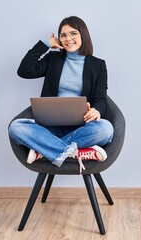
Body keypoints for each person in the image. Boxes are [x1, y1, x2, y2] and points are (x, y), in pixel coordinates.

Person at [9, 16, 114, 173]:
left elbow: (100, 98)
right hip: (50, 128)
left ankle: (43, 151)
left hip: (81, 128)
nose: (68, 39)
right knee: (16, 128)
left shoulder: (98, 65)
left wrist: (96, 110)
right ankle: (76, 153)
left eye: (73, 33)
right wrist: (46, 44)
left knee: (106, 129)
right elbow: (24, 70)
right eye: (63, 35)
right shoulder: (54, 59)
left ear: (83, 35)